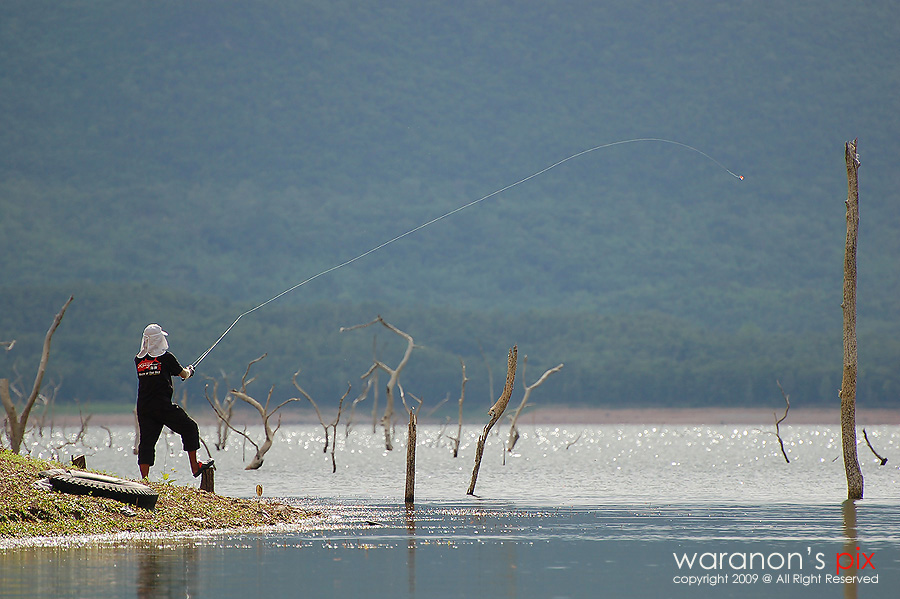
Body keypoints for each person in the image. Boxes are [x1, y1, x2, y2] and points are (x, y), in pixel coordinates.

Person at [135, 323, 213, 480]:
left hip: (144, 407)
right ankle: (195, 466)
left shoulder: (138, 360)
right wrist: (190, 371)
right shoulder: (167, 358)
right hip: (162, 406)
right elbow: (183, 374)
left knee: (146, 442)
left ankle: (145, 479)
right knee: (190, 428)